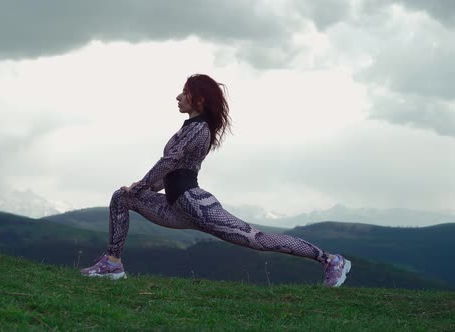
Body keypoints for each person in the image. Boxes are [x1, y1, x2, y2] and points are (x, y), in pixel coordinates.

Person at [80, 74, 351, 287]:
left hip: (196, 204)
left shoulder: (199, 129)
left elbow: (170, 162)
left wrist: (140, 185)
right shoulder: (190, 127)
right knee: (121, 197)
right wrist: (146, 188)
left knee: (256, 239)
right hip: (176, 207)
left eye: (184, 92)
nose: (177, 97)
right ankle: (112, 264)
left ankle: (330, 260)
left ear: (198, 99)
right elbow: (174, 169)